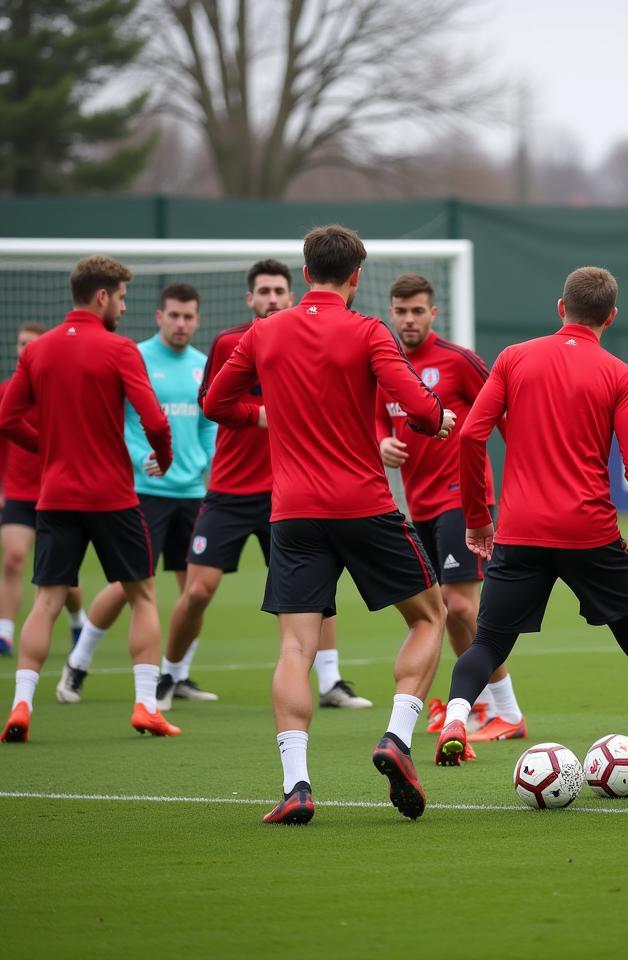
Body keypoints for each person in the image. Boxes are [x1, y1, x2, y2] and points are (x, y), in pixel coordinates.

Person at [203, 225, 454, 825]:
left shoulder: (265, 331)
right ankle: (396, 736)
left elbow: (215, 404)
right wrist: (439, 418)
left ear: (305, 270)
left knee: (295, 646)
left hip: (292, 512)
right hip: (364, 504)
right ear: (357, 276)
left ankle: (297, 786)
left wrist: (264, 415)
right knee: (429, 616)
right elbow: (418, 409)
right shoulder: (368, 330)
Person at [434, 266, 628, 798]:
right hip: (591, 534)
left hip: (519, 532)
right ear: (611, 317)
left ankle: (455, 717)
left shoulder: (514, 358)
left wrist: (478, 517)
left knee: (490, 641)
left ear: (559, 307)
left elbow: (471, 436)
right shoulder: (620, 373)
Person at [158, 260, 369, 711]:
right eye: (264, 291)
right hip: (230, 490)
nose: (272, 298)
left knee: (320, 592)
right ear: (249, 298)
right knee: (197, 590)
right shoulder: (231, 342)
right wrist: (260, 414)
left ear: (293, 295)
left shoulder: (311, 338)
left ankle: (331, 681)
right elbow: (210, 401)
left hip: (289, 491)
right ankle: (170, 675)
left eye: (279, 290)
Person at [0, 255, 179, 742]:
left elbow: (8, 418)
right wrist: (163, 458)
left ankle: (21, 704)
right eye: (121, 297)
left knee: (46, 602)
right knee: (142, 596)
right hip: (113, 495)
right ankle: (145, 706)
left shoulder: (38, 352)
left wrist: (51, 446)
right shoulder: (120, 349)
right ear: (102, 296)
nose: (123, 306)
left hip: (55, 495)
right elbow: (156, 421)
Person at [377, 273, 526, 748]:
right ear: (391, 311)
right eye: (401, 311)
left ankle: (507, 711)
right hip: (416, 502)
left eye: (417, 310)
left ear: (433, 313)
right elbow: (376, 419)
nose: (409, 319)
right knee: (443, 607)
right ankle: (479, 704)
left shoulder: (459, 361)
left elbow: (506, 415)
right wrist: (380, 441)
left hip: (461, 496)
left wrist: (524, 480)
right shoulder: (385, 362)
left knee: (460, 603)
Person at [56, 284, 217, 704]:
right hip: (145, 490)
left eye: (189, 317)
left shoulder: (204, 365)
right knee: (127, 585)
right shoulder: (136, 356)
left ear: (198, 320)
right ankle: (78, 663)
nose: (181, 324)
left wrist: (204, 459)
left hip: (191, 494)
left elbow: (208, 421)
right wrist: (139, 454)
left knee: (195, 594)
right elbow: (122, 418)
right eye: (174, 316)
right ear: (159, 316)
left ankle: (176, 675)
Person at [0, 323, 87, 656]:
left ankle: (78, 618)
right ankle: (5, 631)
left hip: (57, 492)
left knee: (62, 578)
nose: (25, 349)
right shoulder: (8, 391)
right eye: (21, 344)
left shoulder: (61, 390)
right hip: (19, 494)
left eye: (32, 345)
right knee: (13, 558)